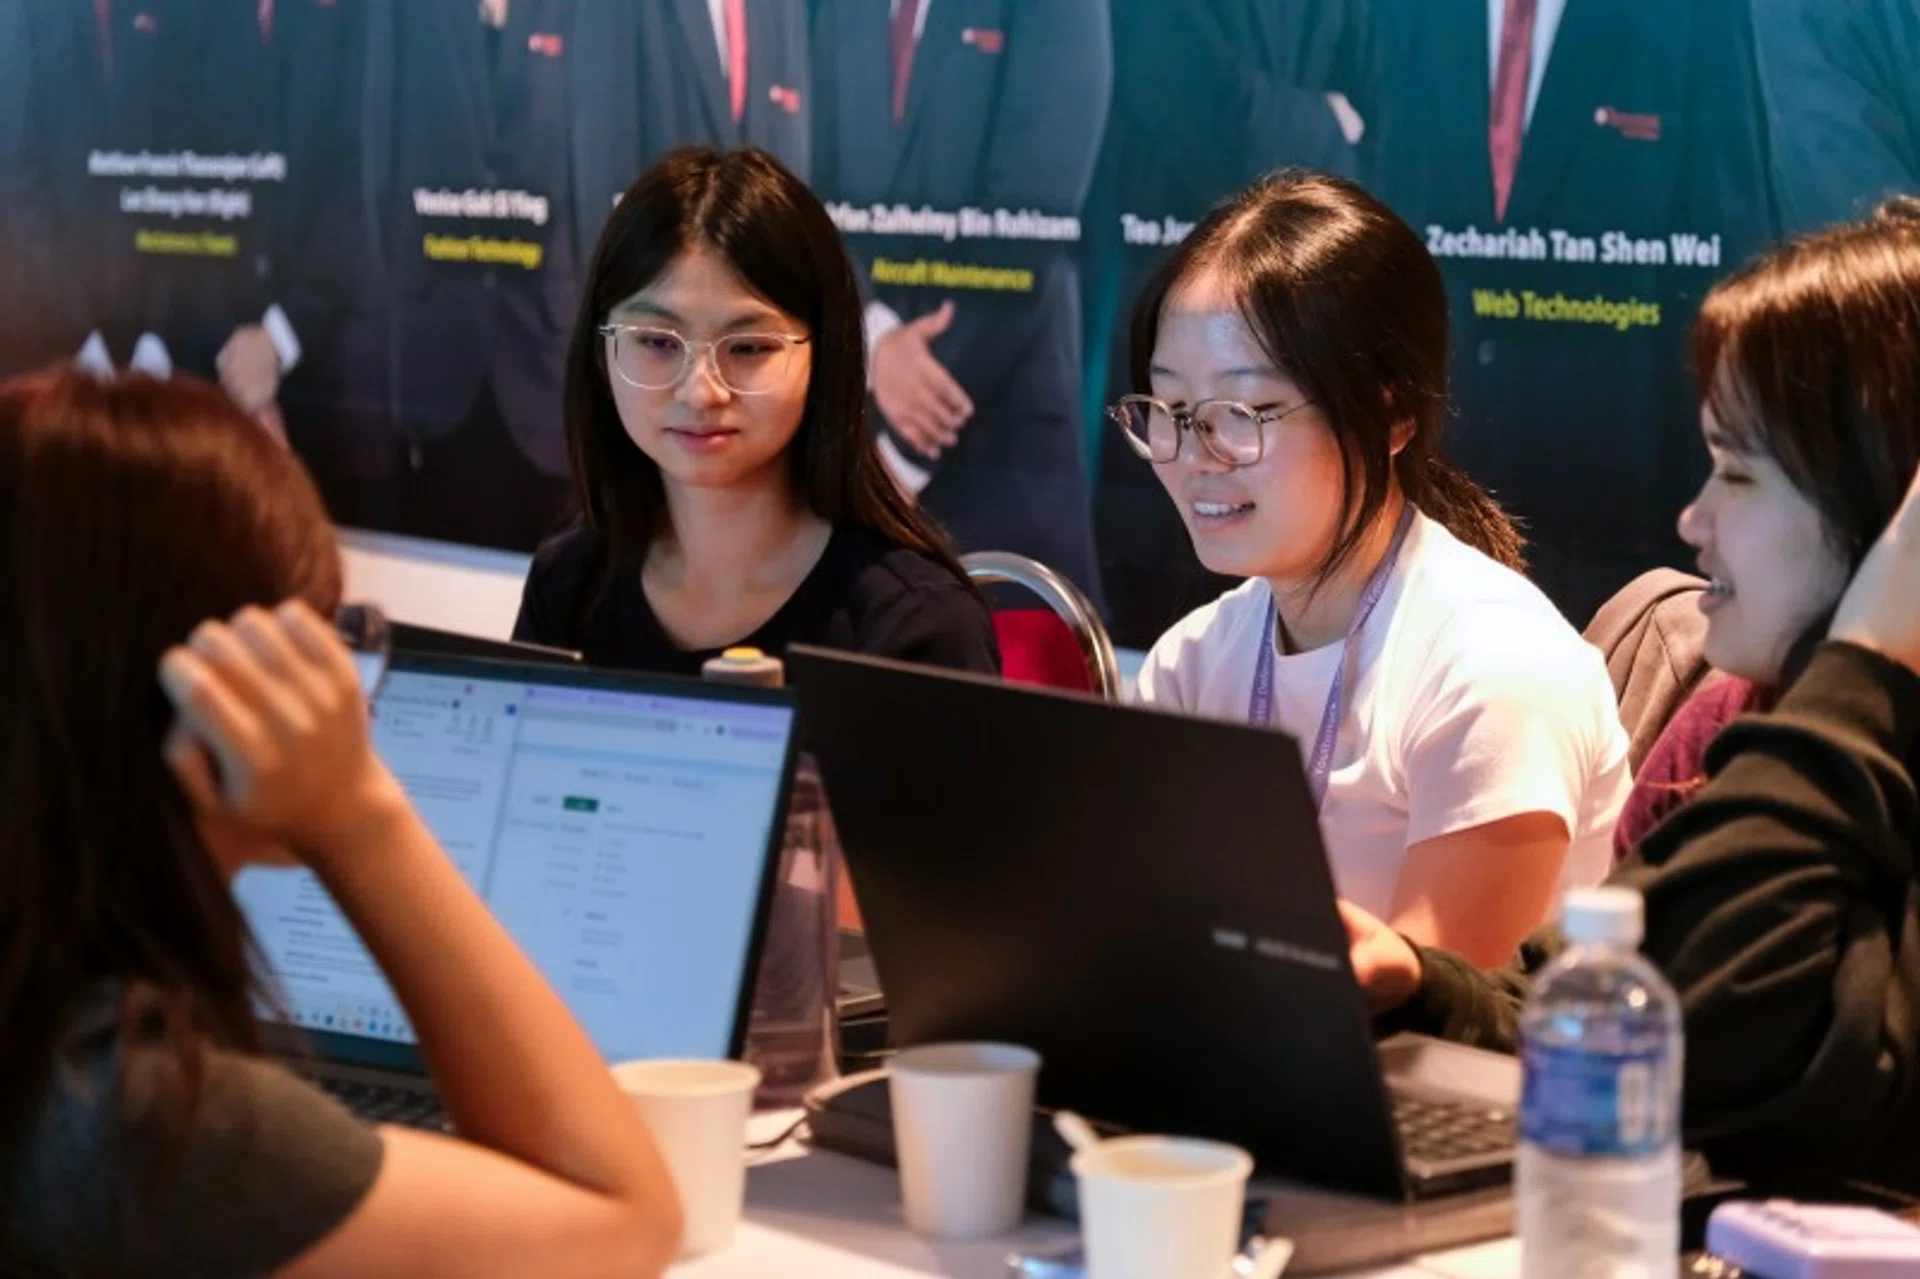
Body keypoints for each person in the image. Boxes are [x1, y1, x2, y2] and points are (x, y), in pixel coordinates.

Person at [0, 368, 684, 1275]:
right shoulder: (140, 1124)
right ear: (209, 704)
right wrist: (359, 814)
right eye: (316, 644)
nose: (347, 704)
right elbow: (624, 1216)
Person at [1348, 201, 1920, 1191]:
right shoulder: (1744, 717)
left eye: (1737, 475)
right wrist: (1421, 980)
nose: (1692, 520)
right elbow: (1610, 1007)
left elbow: (1710, 1041)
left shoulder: (1812, 736)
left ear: (1889, 510)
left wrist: (1865, 654)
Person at [1130, 169, 1631, 967]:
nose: (1194, 455)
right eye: (1170, 411)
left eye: (1243, 413)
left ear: (1391, 412)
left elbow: (1439, 1029)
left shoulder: (1496, 670)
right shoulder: (1191, 664)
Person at [1343, 0, 1779, 627]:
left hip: (1616, 516)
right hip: (1432, 509)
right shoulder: (1406, 17)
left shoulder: (1695, 20)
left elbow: (1731, 257)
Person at [512, 147, 998, 678]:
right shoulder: (570, 583)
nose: (700, 392)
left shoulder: (911, 625)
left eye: (747, 348)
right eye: (656, 342)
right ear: (602, 353)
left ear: (825, 355)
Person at [809, 0, 1112, 604]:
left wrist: (904, 446)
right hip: (857, 421)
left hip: (1001, 437)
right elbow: (807, 189)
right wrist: (874, 338)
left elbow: (1034, 219)